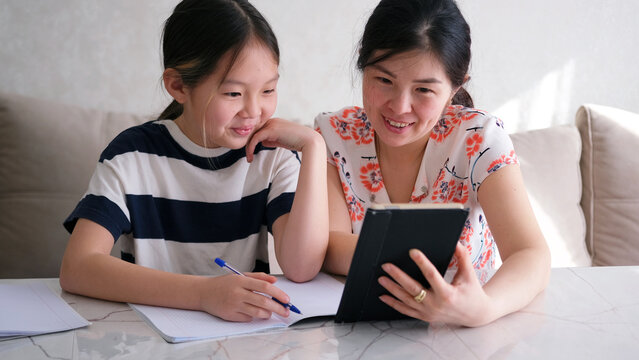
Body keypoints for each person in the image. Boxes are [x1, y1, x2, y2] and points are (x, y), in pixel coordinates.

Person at [59, 0, 328, 323]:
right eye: (233, 94)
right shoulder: (132, 155)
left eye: (268, 89)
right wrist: (203, 295)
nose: (254, 111)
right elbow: (78, 267)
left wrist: (313, 147)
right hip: (147, 336)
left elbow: (302, 268)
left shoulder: (272, 156)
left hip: (244, 339)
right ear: (178, 86)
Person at [316, 0, 550, 327]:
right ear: (362, 66)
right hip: (361, 330)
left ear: (456, 87)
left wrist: (485, 308)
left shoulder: (479, 138)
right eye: (384, 80)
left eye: (424, 89)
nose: (399, 107)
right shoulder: (333, 134)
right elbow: (325, 247)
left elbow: (531, 254)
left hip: (465, 332)